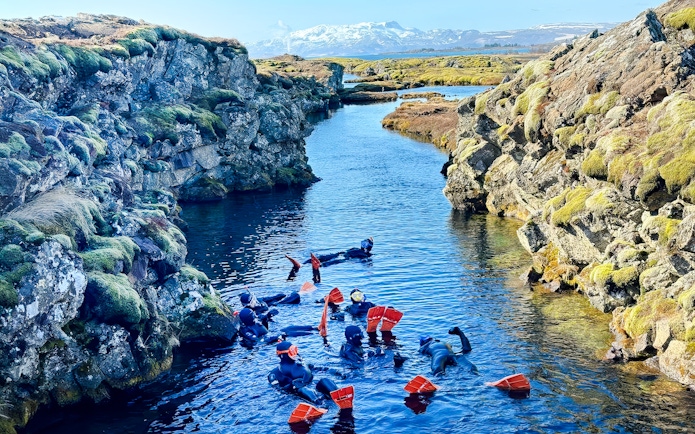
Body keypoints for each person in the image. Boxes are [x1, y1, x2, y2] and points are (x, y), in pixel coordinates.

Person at [237, 308, 316, 348]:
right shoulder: (246, 330)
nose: (254, 315)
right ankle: (313, 334)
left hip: (269, 335)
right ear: (249, 318)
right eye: (252, 315)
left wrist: (268, 316)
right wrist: (273, 338)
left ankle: (314, 328)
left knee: (288, 328)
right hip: (265, 342)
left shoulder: (255, 320)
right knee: (286, 334)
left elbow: (263, 324)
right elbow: (258, 341)